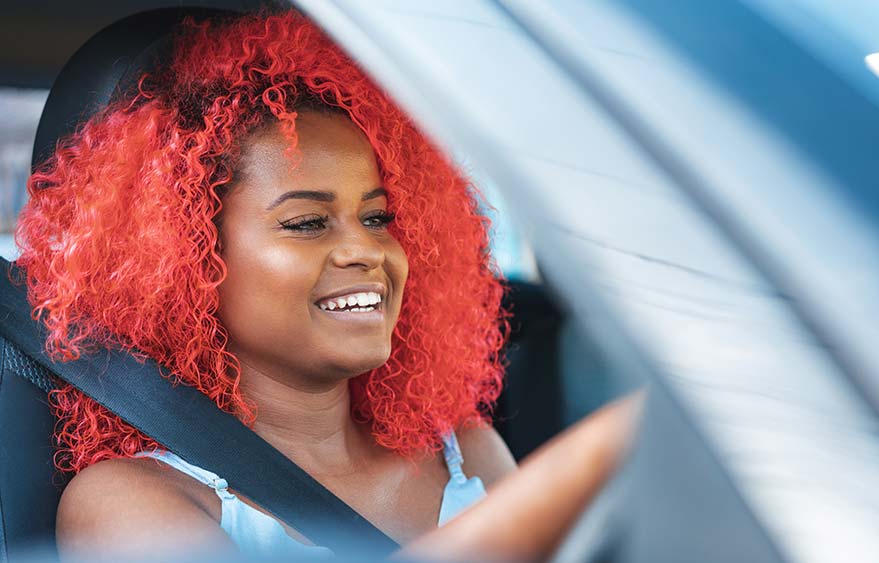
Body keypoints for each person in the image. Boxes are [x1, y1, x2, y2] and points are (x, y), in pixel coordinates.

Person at [16, 10, 640, 561]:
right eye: (307, 222)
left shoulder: (466, 454)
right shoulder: (131, 503)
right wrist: (587, 464)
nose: (366, 250)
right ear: (183, 259)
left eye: (377, 217)